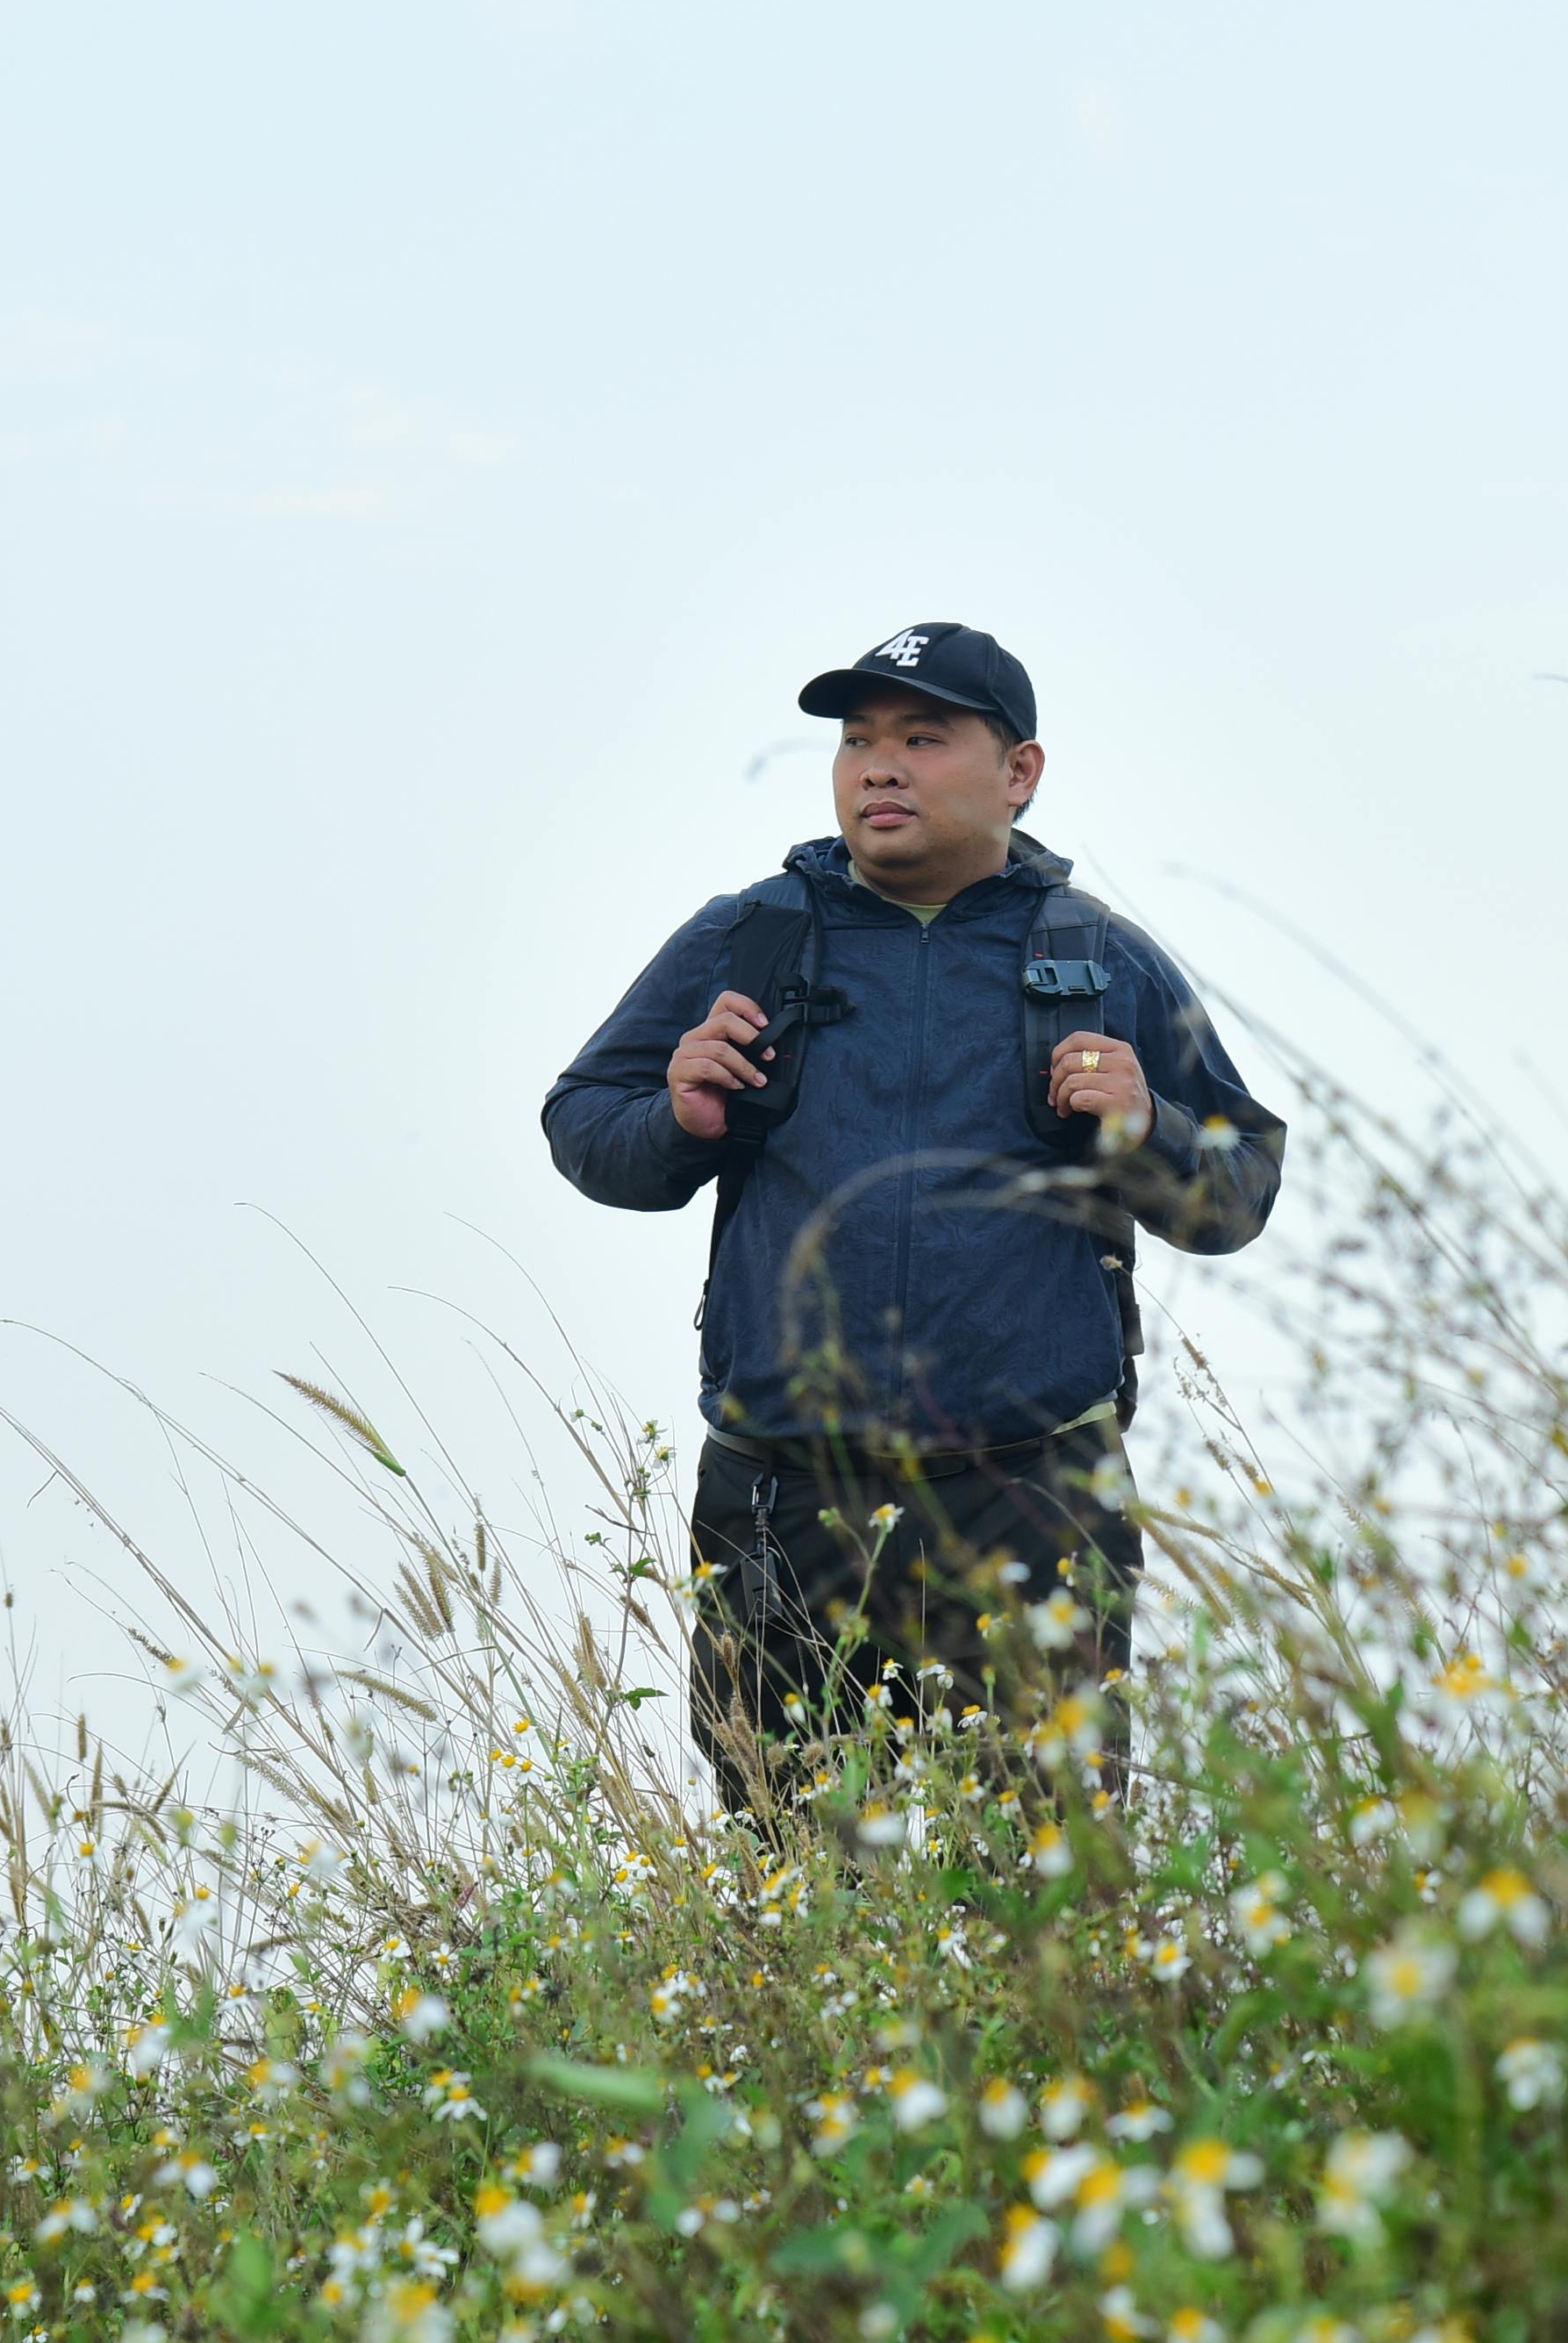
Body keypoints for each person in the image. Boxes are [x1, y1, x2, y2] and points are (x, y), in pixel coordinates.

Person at [542, 624, 1284, 1812]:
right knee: (797, 1875)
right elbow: (587, 1124)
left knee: (1047, 1878)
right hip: (788, 1501)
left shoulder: (1100, 958)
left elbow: (1239, 1191)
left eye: (923, 738)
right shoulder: (750, 939)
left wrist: (1150, 1128)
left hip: (1034, 1500)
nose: (878, 769)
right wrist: (677, 1116)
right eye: (857, 742)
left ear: (1019, 773)